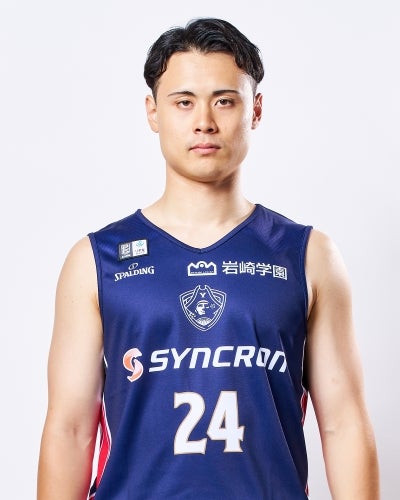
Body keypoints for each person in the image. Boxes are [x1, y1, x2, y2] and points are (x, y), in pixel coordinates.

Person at [37, 17, 379, 499]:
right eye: (184, 102)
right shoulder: (97, 260)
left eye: (224, 100)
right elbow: (70, 430)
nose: (204, 121)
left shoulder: (308, 255)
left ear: (255, 110)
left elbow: (343, 422)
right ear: (153, 112)